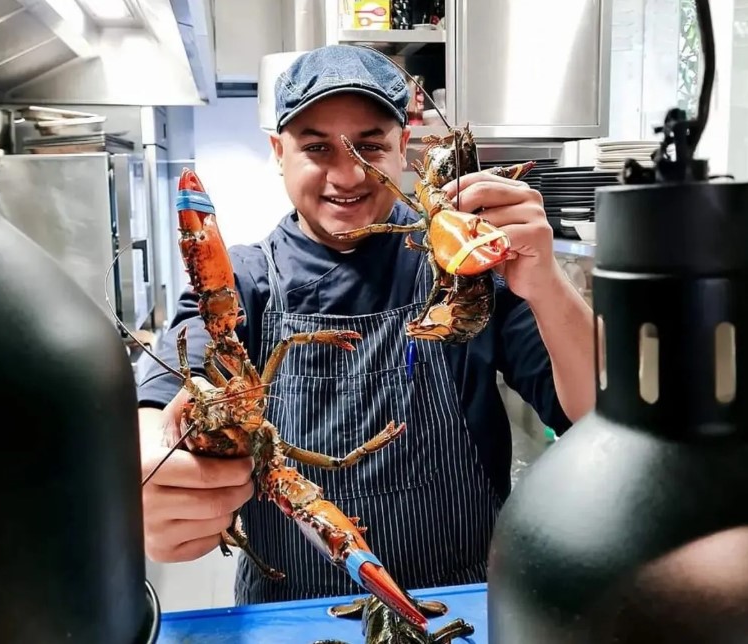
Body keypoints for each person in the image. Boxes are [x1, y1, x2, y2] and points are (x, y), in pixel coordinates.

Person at [136, 44, 596, 608]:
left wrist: (547, 283)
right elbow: (158, 406)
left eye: (371, 145)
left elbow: (599, 414)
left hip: (463, 599)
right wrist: (150, 472)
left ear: (404, 146)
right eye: (317, 147)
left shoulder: (467, 263)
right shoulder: (244, 281)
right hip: (293, 610)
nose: (348, 173)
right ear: (278, 152)